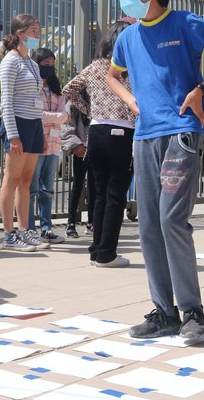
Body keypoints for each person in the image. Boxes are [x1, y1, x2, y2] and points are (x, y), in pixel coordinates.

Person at [105, 0, 204, 341]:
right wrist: (133, 103)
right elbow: (111, 76)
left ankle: (192, 312)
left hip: (183, 131)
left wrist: (202, 89)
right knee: (149, 223)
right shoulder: (129, 36)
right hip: (145, 135)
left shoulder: (185, 23)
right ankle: (164, 312)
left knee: (171, 219)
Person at [64, 20, 135, 268]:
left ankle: (96, 249)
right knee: (116, 196)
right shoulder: (130, 69)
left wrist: (89, 109)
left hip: (96, 132)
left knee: (99, 194)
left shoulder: (94, 67)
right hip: (122, 133)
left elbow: (68, 90)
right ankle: (107, 253)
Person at [0, 14, 46, 252]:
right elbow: (6, 101)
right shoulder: (10, 61)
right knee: (12, 179)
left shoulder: (33, 63)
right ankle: (9, 234)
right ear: (20, 34)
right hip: (17, 123)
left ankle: (25, 230)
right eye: (33, 31)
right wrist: (13, 135)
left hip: (34, 123)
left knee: (27, 180)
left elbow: (35, 98)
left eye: (38, 30)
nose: (38, 35)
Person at [27, 48, 68, 244]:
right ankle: (29, 229)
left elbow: (65, 116)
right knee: (32, 189)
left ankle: (46, 228)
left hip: (54, 145)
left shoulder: (57, 90)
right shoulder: (31, 86)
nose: (49, 67)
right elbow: (35, 114)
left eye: (52, 64)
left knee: (48, 189)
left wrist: (51, 117)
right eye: (45, 64)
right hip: (36, 143)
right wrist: (55, 118)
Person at [61, 93, 95, 238]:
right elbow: (67, 126)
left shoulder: (98, 101)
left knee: (95, 187)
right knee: (77, 186)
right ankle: (71, 223)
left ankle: (92, 222)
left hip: (96, 149)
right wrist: (76, 145)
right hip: (81, 150)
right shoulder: (73, 103)